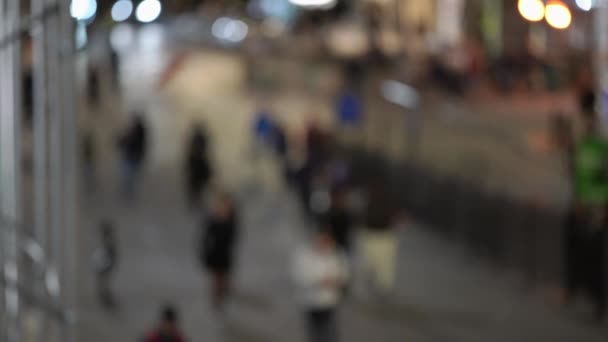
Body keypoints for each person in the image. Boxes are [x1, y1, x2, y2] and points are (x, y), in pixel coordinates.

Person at [293, 230, 349, 342]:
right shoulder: (304, 255)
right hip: (311, 302)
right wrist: (318, 281)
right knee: (314, 332)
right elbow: (299, 276)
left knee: (330, 332)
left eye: (327, 241)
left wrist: (336, 280)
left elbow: (344, 273)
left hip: (330, 301)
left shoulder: (336, 255)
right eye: (322, 241)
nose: (325, 244)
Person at [200, 192, 238, 311]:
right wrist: (205, 251)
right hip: (215, 253)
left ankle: (223, 293)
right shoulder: (213, 219)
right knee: (216, 277)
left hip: (225, 253)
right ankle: (217, 298)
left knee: (224, 275)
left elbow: (234, 236)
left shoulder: (231, 219)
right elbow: (206, 237)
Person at [360, 181, 398, 296]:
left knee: (384, 265)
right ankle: (378, 287)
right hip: (373, 234)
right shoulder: (369, 200)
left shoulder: (387, 201)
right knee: (370, 264)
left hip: (383, 235)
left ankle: (383, 288)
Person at [118, 114, 148, 200]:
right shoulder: (136, 131)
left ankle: (129, 193)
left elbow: (129, 142)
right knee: (130, 176)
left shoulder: (138, 131)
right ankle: (129, 193)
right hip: (131, 155)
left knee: (129, 176)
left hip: (132, 156)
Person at [185, 124, 211, 208]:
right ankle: (194, 201)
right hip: (195, 176)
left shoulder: (200, 158)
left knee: (197, 190)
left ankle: (195, 201)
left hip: (198, 176)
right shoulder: (193, 157)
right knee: (194, 190)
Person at [93, 220, 117, 309]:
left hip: (105, 265)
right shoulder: (108, 241)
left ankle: (105, 297)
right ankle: (104, 296)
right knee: (104, 282)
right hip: (105, 265)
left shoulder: (108, 242)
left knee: (104, 282)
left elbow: (111, 254)